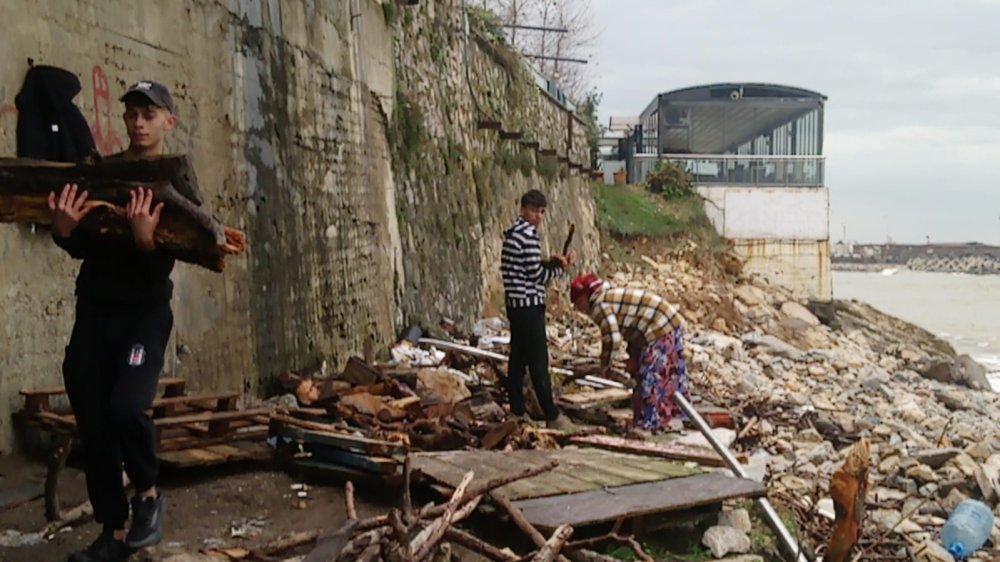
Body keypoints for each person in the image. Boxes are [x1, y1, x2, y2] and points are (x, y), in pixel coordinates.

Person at [49, 80, 178, 562]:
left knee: (126, 408)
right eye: (132, 115)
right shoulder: (102, 174)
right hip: (95, 312)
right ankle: (113, 533)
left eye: (149, 115)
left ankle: (148, 493)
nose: (139, 123)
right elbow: (85, 242)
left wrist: (146, 241)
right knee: (95, 422)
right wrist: (64, 232)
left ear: (168, 122)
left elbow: (175, 254)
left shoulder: (172, 179)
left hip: (143, 317)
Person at [570, 273, 690, 435]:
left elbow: (612, 338)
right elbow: (632, 325)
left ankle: (648, 424)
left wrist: (605, 363)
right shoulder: (608, 296)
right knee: (664, 374)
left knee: (651, 376)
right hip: (667, 323)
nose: (578, 308)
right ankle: (668, 417)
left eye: (578, 303)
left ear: (584, 297)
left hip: (659, 327)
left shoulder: (600, 305)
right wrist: (632, 356)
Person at [500, 189, 576, 429]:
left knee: (517, 360)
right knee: (538, 362)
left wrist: (552, 262)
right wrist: (560, 268)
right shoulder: (529, 236)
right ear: (523, 209)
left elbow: (528, 267)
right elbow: (537, 275)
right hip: (529, 306)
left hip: (515, 305)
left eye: (542, 212)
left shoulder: (513, 233)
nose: (538, 216)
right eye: (534, 211)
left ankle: (517, 410)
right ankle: (552, 415)